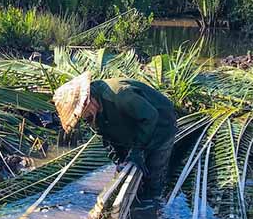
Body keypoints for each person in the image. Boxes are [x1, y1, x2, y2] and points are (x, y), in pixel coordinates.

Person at [52, 72, 177, 202]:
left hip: (161, 124)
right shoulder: (93, 113)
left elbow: (150, 117)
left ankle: (153, 207)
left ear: (87, 101)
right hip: (133, 125)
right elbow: (107, 138)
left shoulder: (120, 95)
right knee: (126, 175)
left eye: (81, 114)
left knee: (152, 177)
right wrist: (119, 160)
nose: (82, 118)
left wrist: (137, 150)